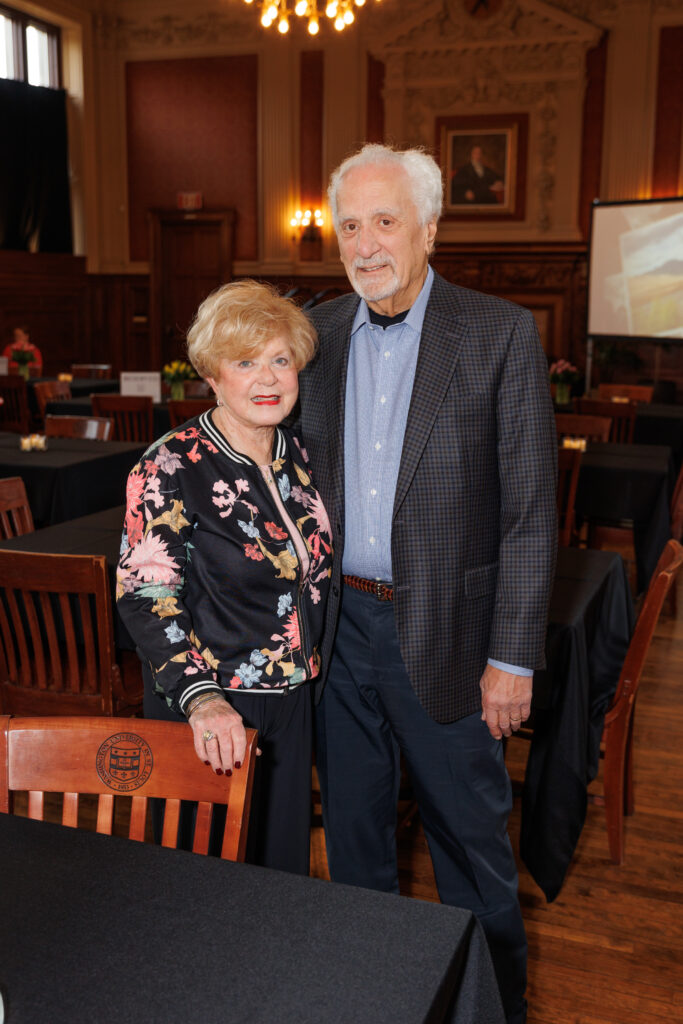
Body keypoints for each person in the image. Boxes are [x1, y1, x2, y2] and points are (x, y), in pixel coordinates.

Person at [297, 144, 557, 1024]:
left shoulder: (498, 333)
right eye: (349, 226)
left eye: (385, 221)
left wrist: (512, 659)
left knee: (471, 858)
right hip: (340, 640)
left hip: (449, 638)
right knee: (357, 848)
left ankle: (492, 1013)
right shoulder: (317, 336)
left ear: (429, 228)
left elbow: (529, 514)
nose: (365, 245)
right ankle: (374, 1004)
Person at [116, 279, 333, 874]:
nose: (268, 379)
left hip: (290, 704)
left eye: (280, 360)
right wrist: (202, 700)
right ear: (212, 375)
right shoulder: (169, 464)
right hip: (212, 714)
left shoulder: (305, 456)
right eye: (245, 362)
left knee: (279, 872)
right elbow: (145, 596)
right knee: (204, 883)